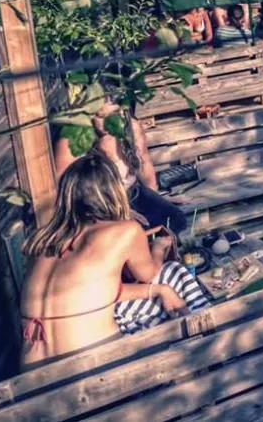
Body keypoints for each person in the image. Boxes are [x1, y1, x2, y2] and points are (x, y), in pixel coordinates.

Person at [19, 153, 207, 368]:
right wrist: (157, 249)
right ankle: (202, 347)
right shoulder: (125, 231)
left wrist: (159, 290)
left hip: (30, 368)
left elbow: (93, 293)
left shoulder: (44, 238)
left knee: (158, 293)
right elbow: (150, 274)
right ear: (113, 191)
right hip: (88, 364)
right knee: (172, 272)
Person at [54, 101, 188, 234]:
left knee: (176, 221)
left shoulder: (131, 127)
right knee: (134, 231)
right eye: (100, 116)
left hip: (132, 192)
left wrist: (154, 198)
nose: (108, 122)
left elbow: (144, 162)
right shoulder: (75, 138)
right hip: (98, 201)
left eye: (114, 114)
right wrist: (119, 212)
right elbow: (66, 188)